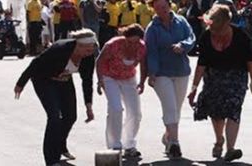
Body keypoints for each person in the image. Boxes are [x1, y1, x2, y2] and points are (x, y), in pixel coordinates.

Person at [14, 28, 98, 166]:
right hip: (44, 80)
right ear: (79, 45)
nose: (90, 53)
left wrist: (89, 106)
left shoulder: (88, 57)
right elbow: (35, 63)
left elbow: (87, 80)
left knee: (71, 116)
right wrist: (20, 83)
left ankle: (60, 145)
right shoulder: (60, 48)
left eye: (92, 50)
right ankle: (52, 159)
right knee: (54, 117)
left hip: (64, 80)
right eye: (88, 50)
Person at [187, 4, 252, 162]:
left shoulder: (241, 36)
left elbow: (250, 60)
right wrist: (194, 88)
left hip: (236, 76)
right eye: (213, 28)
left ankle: (230, 149)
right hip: (213, 76)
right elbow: (201, 64)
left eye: (219, 28)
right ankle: (219, 140)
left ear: (227, 23)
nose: (215, 32)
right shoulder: (206, 36)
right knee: (216, 113)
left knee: (233, 108)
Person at [145, 0, 195, 159]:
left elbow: (192, 38)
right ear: (153, 8)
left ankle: (167, 136)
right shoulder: (152, 28)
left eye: (164, 6)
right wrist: (151, 73)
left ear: (169, 5)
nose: (161, 10)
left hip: (181, 71)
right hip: (161, 73)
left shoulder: (182, 21)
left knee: (176, 109)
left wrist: (183, 45)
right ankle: (175, 143)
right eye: (157, 7)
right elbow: (151, 52)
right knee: (170, 107)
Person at [96, 23, 147, 157]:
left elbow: (143, 64)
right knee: (116, 108)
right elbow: (99, 61)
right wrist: (100, 80)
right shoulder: (113, 44)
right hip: (109, 77)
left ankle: (129, 144)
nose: (133, 44)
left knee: (135, 112)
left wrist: (142, 81)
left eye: (136, 41)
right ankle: (115, 145)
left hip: (128, 78)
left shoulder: (141, 47)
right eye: (130, 41)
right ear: (125, 37)